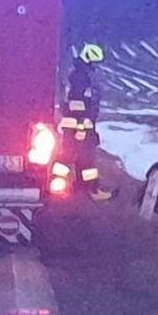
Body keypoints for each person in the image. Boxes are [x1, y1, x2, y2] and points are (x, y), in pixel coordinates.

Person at [59, 43, 110, 202]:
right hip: (79, 127)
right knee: (83, 159)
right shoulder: (80, 78)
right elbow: (77, 103)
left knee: (75, 159)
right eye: (94, 63)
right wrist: (81, 126)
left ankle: (76, 189)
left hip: (77, 126)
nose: (95, 67)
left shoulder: (79, 75)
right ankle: (91, 190)